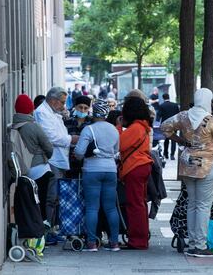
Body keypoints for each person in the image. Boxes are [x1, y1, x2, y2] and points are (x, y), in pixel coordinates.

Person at [161, 88, 213, 257]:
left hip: (187, 164)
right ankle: (200, 245)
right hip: (207, 165)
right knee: (203, 206)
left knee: (192, 204)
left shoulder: (183, 116)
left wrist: (181, 140)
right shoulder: (211, 120)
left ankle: (192, 243)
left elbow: (164, 127)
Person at [34, 87, 79, 244]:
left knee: (55, 197)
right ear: (53, 101)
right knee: (51, 197)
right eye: (61, 102)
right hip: (52, 160)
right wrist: (71, 139)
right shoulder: (42, 113)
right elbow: (51, 137)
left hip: (59, 159)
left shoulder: (52, 112)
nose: (63, 105)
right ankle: (48, 230)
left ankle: (52, 228)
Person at [75, 100, 120, 252]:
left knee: (92, 208)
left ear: (94, 112)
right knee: (111, 208)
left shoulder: (88, 129)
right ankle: (114, 242)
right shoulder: (114, 130)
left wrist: (81, 155)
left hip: (92, 170)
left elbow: (79, 153)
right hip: (111, 170)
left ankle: (91, 243)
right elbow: (116, 151)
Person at [12, 94, 54, 225]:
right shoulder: (34, 126)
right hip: (40, 169)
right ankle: (42, 231)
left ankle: (32, 228)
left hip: (23, 171)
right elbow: (49, 148)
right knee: (42, 203)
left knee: (30, 203)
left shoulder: (13, 127)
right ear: (31, 109)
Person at [118, 97, 153, 249]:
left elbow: (118, 143)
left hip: (135, 167)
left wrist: (118, 126)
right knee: (140, 203)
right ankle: (142, 238)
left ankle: (137, 240)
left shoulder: (136, 128)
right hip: (143, 166)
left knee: (134, 204)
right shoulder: (143, 127)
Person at [64, 95, 92, 178]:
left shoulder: (92, 123)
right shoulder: (67, 122)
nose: (83, 110)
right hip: (69, 162)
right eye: (80, 107)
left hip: (86, 163)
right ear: (75, 107)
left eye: (85, 108)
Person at [156, 93, 180, 160]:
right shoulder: (175, 105)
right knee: (173, 140)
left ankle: (165, 154)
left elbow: (158, 116)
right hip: (174, 124)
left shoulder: (162, 106)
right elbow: (178, 115)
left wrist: (157, 123)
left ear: (163, 98)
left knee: (166, 139)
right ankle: (172, 155)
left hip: (165, 125)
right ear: (169, 97)